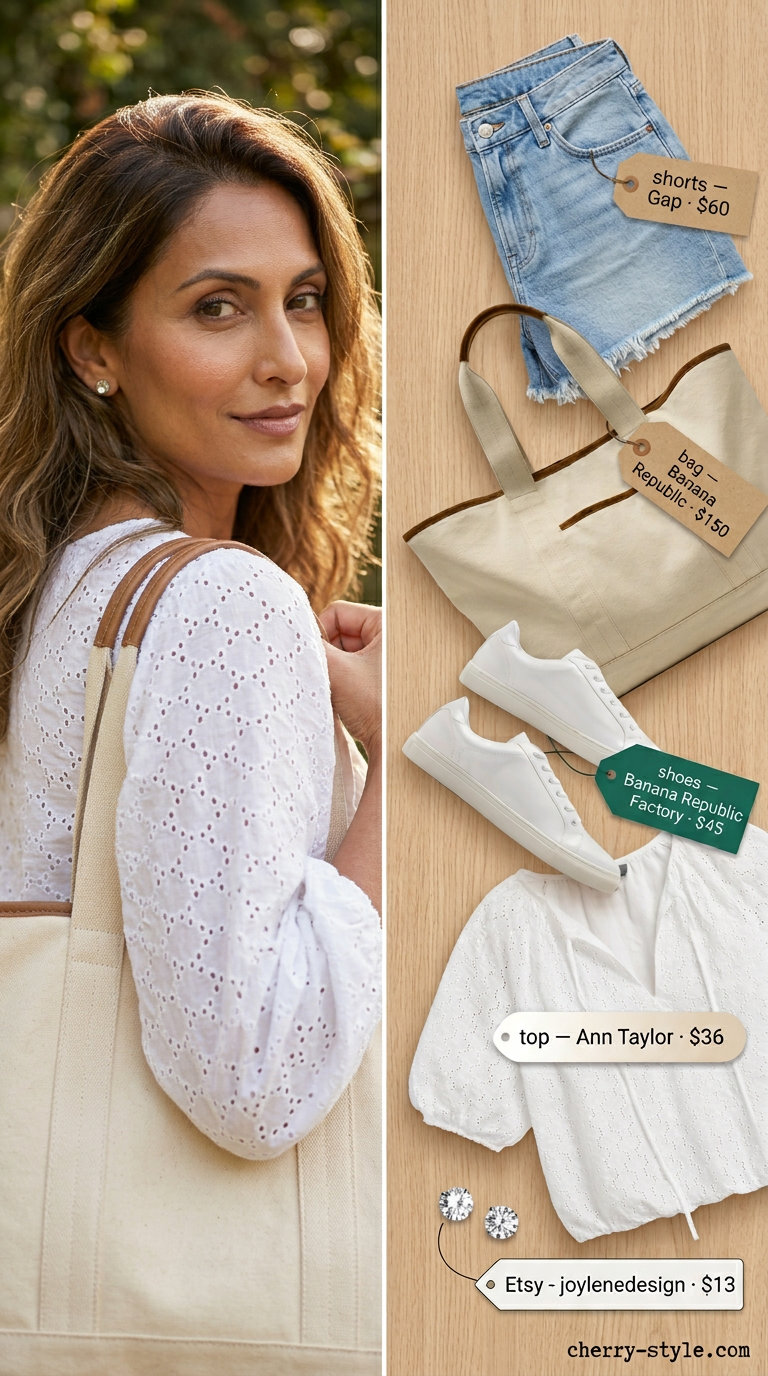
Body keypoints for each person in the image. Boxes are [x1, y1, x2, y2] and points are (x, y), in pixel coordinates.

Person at [0, 91, 381, 1364]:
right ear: (92, 346)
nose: (289, 358)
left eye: (307, 298)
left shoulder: (52, 588)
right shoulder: (219, 601)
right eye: (217, 306)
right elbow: (254, 1077)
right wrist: (409, 776)